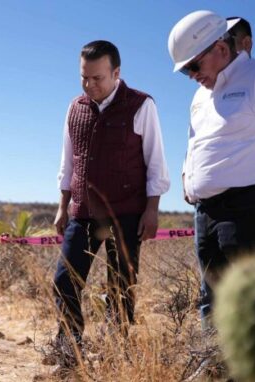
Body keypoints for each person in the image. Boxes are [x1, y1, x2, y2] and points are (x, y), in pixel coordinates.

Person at [51, 40, 170, 359]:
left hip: (127, 214)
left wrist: (152, 211)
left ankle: (115, 353)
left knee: (120, 288)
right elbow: (69, 162)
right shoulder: (74, 108)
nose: (89, 85)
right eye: (83, 77)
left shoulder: (142, 105)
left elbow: (156, 162)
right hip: (83, 213)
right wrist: (63, 206)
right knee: (65, 281)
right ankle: (67, 351)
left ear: (116, 73)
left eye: (97, 78)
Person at [168, 10, 255, 330]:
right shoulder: (200, 97)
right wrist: (188, 176)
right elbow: (194, 141)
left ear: (222, 49)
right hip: (206, 214)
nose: (191, 76)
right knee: (211, 298)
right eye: (185, 71)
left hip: (251, 209)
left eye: (193, 66)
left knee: (252, 302)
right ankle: (216, 374)